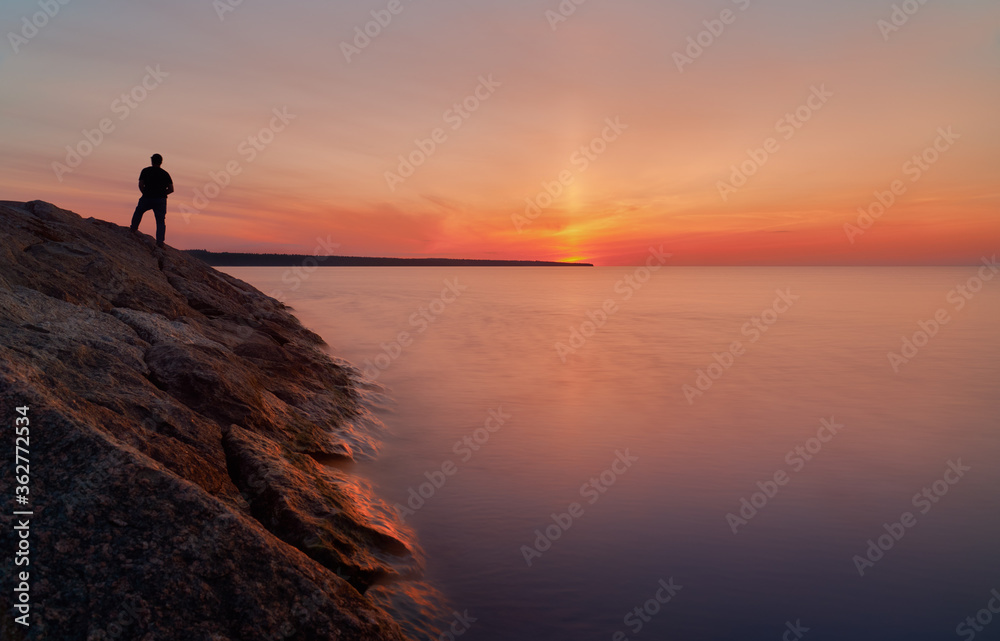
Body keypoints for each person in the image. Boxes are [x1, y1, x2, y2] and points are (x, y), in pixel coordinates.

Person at [130, 153, 174, 247]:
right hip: (160, 200)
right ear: (161, 162)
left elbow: (141, 184)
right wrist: (162, 194)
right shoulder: (165, 174)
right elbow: (171, 189)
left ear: (152, 161)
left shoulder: (145, 171)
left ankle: (133, 230)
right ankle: (160, 242)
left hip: (147, 197)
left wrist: (145, 193)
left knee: (138, 212)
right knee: (160, 221)